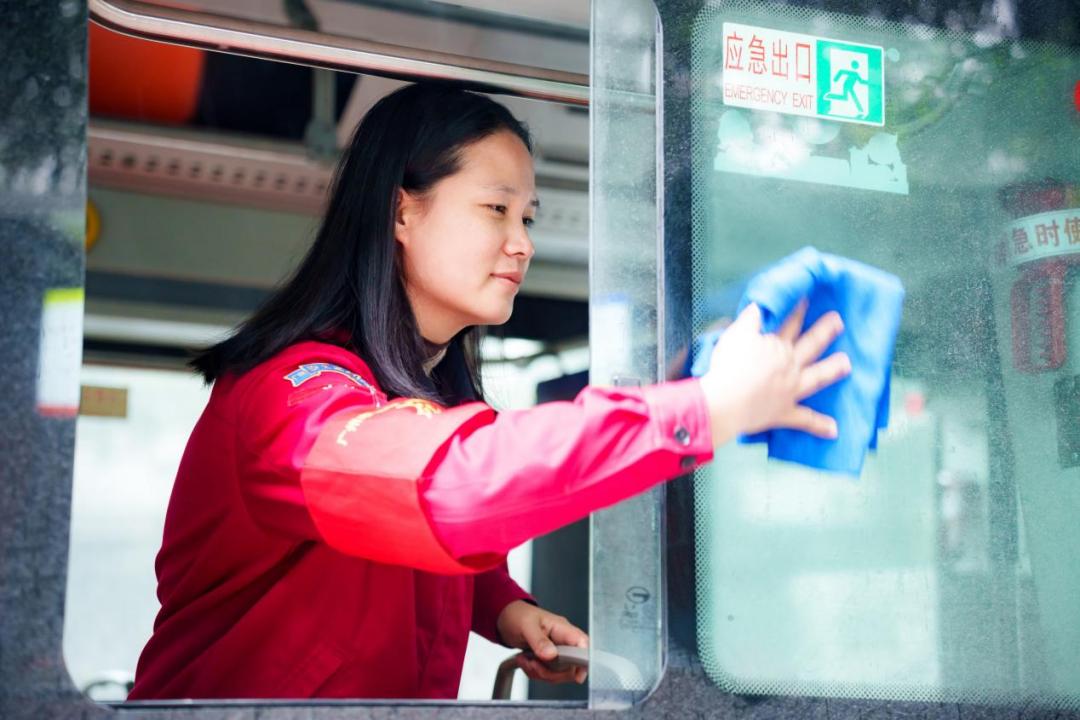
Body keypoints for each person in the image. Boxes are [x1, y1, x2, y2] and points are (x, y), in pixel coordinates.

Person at [127, 82, 850, 701]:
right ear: (401, 212)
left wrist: (502, 607)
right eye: (496, 209)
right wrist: (703, 410)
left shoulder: (420, 393)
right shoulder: (291, 394)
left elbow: (388, 547)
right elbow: (444, 493)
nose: (523, 242)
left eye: (527, 217)